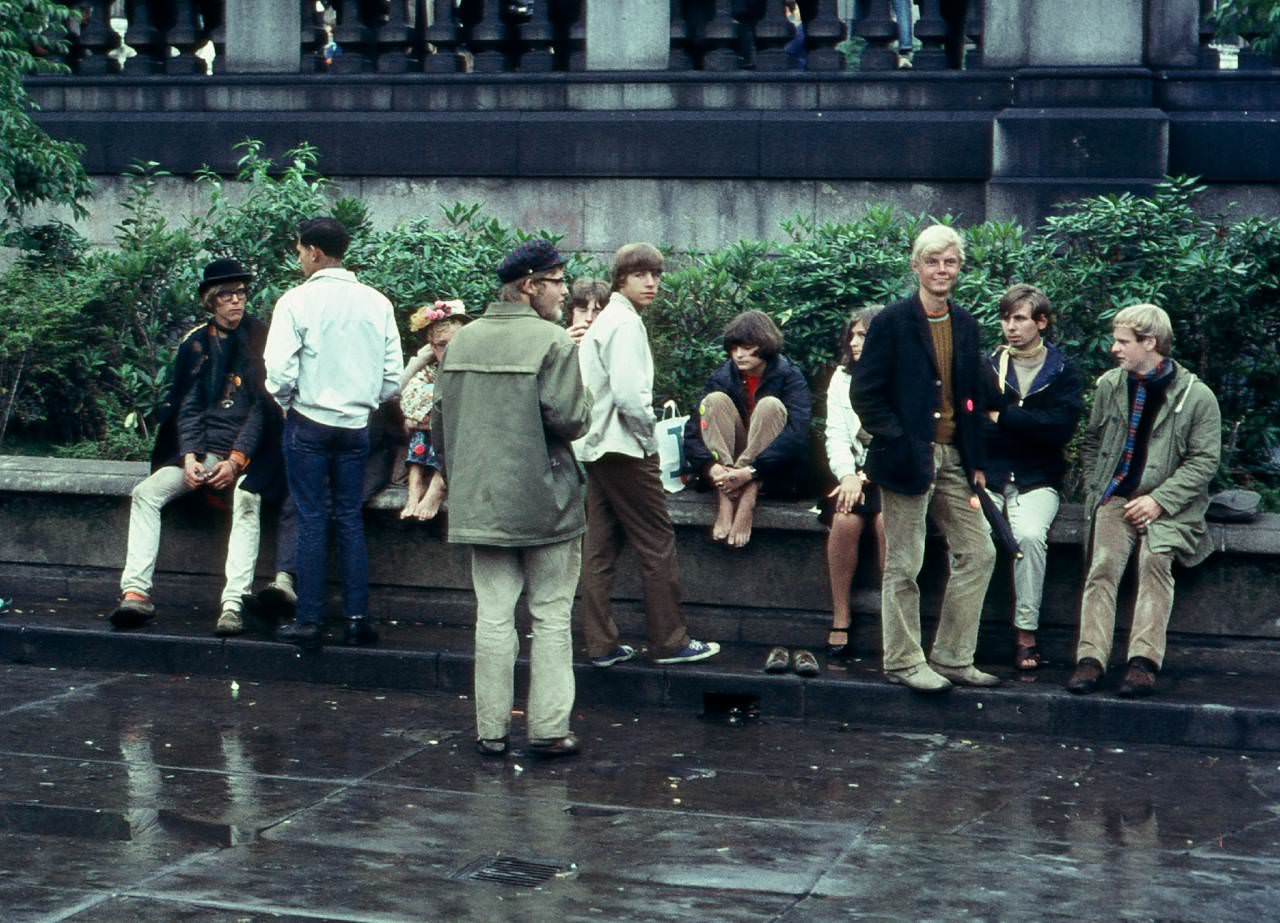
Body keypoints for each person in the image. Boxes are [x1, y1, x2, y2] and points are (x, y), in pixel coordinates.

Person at [431, 240, 591, 757]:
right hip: (547, 503)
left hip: (481, 502)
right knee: (549, 615)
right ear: (530, 285)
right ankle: (547, 729)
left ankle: (491, 731)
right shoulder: (553, 342)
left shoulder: (462, 341)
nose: (564, 292)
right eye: (558, 281)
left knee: (493, 616)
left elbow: (439, 426)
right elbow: (571, 419)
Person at [851, 224, 998, 692]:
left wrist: (976, 459)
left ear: (959, 268)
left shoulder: (968, 324)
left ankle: (953, 656)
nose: (941, 270)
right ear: (915, 266)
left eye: (950, 262)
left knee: (980, 552)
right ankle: (902, 659)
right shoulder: (892, 322)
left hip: (955, 457)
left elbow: (972, 395)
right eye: (932, 261)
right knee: (904, 563)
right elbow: (865, 394)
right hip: (906, 459)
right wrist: (899, 439)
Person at [109, 258, 276, 637]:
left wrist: (236, 460)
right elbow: (187, 405)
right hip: (200, 452)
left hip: (252, 454)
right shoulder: (196, 343)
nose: (237, 302)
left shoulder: (262, 338)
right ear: (210, 301)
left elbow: (262, 412)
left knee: (249, 500)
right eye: (227, 295)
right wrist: (189, 457)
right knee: (146, 493)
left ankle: (234, 602)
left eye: (241, 294)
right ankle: (136, 592)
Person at [576, 242, 720, 668]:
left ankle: (600, 644)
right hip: (626, 448)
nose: (652, 283)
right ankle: (670, 641)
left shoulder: (608, 321)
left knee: (599, 550)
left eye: (656, 275)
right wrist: (650, 441)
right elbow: (629, 397)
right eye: (642, 275)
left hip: (598, 448)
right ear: (622, 278)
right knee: (657, 543)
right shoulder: (624, 324)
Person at [1066, 304, 1221, 698]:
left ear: (1149, 343)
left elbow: (1204, 461)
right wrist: (1096, 489)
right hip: (1117, 495)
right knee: (1102, 564)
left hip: (1170, 505)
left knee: (1155, 561)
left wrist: (1160, 501)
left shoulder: (1196, 396)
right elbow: (1092, 442)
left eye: (1122, 341)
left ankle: (1143, 662)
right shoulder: (1111, 385)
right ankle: (1091, 659)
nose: (1114, 348)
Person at [263, 217, 403, 650]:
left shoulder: (295, 302)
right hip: (355, 426)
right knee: (348, 518)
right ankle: (358, 618)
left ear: (314, 252)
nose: (299, 257)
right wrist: (363, 402)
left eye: (300, 250)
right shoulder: (377, 302)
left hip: (309, 421)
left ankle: (310, 619)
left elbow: (278, 373)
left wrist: (291, 404)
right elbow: (392, 378)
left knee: (311, 518)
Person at [983, 284, 1083, 671]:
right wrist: (1021, 425)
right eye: (1006, 318)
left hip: (1037, 478)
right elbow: (974, 420)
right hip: (989, 476)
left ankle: (1026, 634)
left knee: (1028, 536)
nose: (1011, 326)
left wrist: (1005, 416)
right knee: (973, 541)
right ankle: (959, 635)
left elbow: (1059, 429)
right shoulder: (988, 365)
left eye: (1020, 318)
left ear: (1041, 322)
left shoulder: (1062, 371)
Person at [683, 309, 812, 549]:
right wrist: (714, 470)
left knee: (769, 405)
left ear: (766, 345)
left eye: (746, 347)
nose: (738, 355)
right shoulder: (723, 376)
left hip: (770, 468)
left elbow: (797, 435)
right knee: (713, 401)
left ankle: (747, 499)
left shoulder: (789, 375)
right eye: (734, 348)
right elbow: (693, 432)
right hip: (729, 462)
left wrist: (751, 473)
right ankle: (725, 496)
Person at [820, 305, 887, 661]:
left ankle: (894, 620)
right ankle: (841, 615)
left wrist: (865, 476)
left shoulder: (900, 378)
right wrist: (847, 474)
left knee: (884, 522)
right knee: (844, 517)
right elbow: (834, 435)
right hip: (852, 475)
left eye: (864, 335)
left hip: (889, 474)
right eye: (854, 334)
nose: (855, 341)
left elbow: (898, 439)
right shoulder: (841, 378)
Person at [399, 300, 469, 521]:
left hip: (454, 441)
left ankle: (437, 486)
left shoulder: (470, 370)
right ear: (431, 347)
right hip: (428, 434)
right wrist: (419, 361)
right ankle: (415, 486)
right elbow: (405, 396)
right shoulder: (430, 369)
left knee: (443, 431)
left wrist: (423, 417)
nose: (449, 350)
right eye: (441, 345)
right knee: (422, 434)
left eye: (456, 343)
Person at [567, 278, 609, 345]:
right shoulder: (558, 343)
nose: (589, 318)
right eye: (583, 311)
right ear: (572, 312)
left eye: (597, 312)